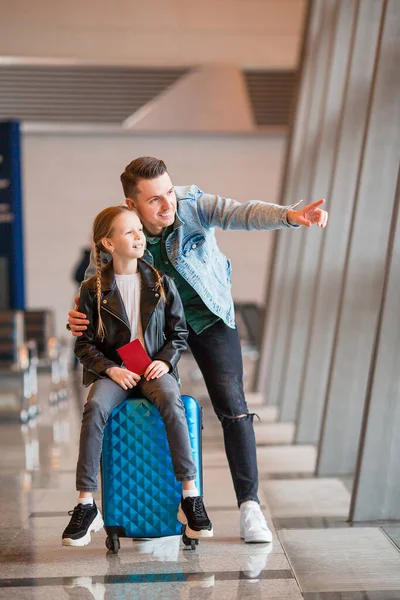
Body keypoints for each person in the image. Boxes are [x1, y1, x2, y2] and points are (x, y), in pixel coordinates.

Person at [68, 157, 328, 543]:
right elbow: (96, 282)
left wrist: (289, 216)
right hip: (155, 335)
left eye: (169, 192)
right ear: (132, 203)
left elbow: (241, 213)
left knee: (233, 406)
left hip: (208, 318)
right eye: (154, 199)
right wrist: (78, 316)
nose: (167, 204)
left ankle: (250, 507)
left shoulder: (192, 205)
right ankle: (142, 503)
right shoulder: (122, 230)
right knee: (137, 401)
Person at [62, 205, 213, 547]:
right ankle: (86, 503)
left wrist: (166, 361)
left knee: (171, 400)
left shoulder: (162, 283)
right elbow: (83, 346)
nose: (139, 236)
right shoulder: (93, 290)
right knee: (95, 407)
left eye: (139, 231)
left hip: (152, 369)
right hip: (114, 373)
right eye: (129, 231)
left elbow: (178, 333)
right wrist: (111, 369)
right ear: (108, 243)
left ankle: (190, 496)